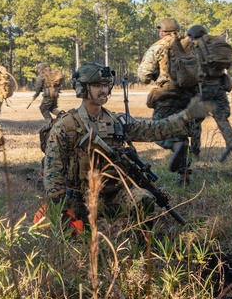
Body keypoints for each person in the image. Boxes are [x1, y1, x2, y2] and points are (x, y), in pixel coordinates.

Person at [43, 63, 204, 223]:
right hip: (81, 200)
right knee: (81, 232)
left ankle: (139, 238)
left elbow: (152, 130)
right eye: (97, 85)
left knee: (144, 200)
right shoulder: (67, 126)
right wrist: (61, 211)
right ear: (82, 88)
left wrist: (186, 116)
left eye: (106, 85)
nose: (103, 90)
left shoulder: (116, 122)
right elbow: (53, 172)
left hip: (115, 194)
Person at [137, 17, 197, 179]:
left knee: (157, 131)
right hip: (190, 96)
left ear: (162, 31)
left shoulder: (159, 46)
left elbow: (144, 75)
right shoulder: (190, 44)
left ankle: (175, 145)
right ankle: (184, 175)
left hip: (167, 95)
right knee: (182, 132)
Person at [185, 24, 232, 160]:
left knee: (196, 122)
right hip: (219, 86)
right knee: (222, 119)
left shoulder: (195, 48)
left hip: (203, 87)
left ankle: (195, 154)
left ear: (192, 36)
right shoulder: (214, 46)